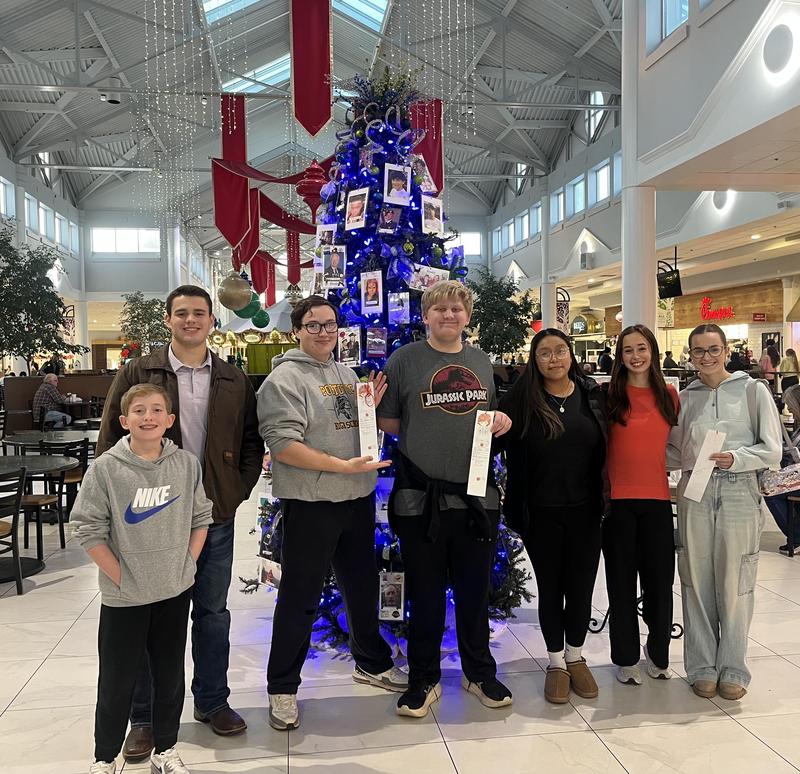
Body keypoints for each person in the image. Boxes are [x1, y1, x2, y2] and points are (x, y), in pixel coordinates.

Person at [97, 285, 263, 761]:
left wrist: (234, 492)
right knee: (149, 618)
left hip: (213, 515)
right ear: (168, 319)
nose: (191, 320)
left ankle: (212, 701)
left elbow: (251, 442)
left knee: (211, 613)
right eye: (182, 313)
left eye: (200, 313)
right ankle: (144, 719)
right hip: (150, 519)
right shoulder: (140, 370)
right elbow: (111, 433)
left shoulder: (232, 378)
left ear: (213, 321)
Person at [257, 296, 407, 731]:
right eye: (314, 325)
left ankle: (371, 662)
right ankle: (282, 687)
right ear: (297, 331)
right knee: (300, 598)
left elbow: (355, 431)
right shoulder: (283, 381)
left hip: (355, 499)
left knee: (361, 586)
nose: (324, 332)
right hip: (310, 503)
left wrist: (372, 412)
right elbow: (284, 446)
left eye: (330, 324)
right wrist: (341, 467)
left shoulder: (345, 374)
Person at [377, 280, 514, 718]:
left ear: (467, 316)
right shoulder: (405, 361)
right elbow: (390, 420)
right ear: (426, 316)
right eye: (439, 310)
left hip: (475, 498)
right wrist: (428, 444)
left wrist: (501, 421)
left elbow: (489, 415)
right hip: (421, 499)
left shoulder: (480, 362)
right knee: (426, 594)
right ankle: (424, 679)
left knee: (474, 592)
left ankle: (479, 672)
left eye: (456, 309)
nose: (448, 316)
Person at [72, 383, 213, 774]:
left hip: (173, 589)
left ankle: (165, 750)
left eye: (155, 410)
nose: (147, 417)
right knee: (117, 680)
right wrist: (120, 577)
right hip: (124, 598)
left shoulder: (186, 465)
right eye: (138, 411)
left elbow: (202, 518)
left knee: (170, 676)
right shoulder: (105, 469)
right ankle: (104, 758)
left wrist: (187, 563)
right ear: (124, 421)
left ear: (169, 420)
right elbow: (87, 528)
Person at [668, 323, 782, 701]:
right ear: (690, 354)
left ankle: (733, 667)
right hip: (694, 492)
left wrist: (736, 457)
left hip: (739, 490)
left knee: (736, 582)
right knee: (695, 579)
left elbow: (772, 449)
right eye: (699, 351)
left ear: (725, 350)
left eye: (713, 349)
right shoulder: (685, 398)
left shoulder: (753, 390)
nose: (707, 358)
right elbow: (673, 449)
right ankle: (701, 666)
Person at [499, 329, 608, 704]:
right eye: (544, 353)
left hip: (587, 509)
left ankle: (577, 656)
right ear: (535, 359)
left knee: (581, 587)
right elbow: (493, 442)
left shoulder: (592, 395)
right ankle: (557, 662)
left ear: (571, 354)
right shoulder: (520, 398)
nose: (554, 359)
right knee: (552, 587)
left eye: (560, 351)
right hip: (539, 513)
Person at [604, 325, 679, 686]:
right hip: (618, 504)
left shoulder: (669, 396)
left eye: (642, 348)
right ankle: (625, 656)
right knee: (620, 583)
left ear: (653, 351)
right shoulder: (609, 396)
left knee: (660, 584)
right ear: (620, 356)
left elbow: (679, 448)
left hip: (658, 503)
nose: (635, 356)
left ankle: (659, 652)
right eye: (628, 350)